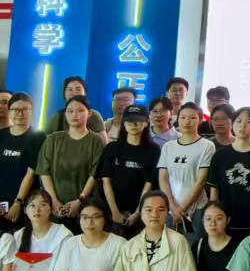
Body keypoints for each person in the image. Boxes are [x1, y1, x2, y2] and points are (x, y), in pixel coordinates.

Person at [209, 106, 250, 237]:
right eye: (239, 121)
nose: (242, 126)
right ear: (232, 124)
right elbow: (214, 191)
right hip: (225, 220)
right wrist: (213, 216)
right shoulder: (220, 155)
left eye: (249, 122)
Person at [38, 96, 104, 229]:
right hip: (55, 206)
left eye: (80, 110)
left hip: (84, 207)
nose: (75, 115)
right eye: (70, 111)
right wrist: (54, 200)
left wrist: (79, 201)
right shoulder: (53, 139)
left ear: (89, 113)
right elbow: (44, 172)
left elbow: (94, 174)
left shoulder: (96, 140)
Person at [0, 92, 46, 229]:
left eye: (25, 109)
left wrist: (18, 202)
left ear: (32, 112)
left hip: (26, 202)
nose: (20, 113)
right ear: (9, 112)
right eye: (15, 109)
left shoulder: (38, 137)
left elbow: (30, 173)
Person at [100, 105, 159, 234]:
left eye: (138, 120)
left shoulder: (154, 150)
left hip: (141, 211)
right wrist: (114, 212)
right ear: (124, 123)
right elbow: (106, 181)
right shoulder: (112, 148)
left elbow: (148, 184)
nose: (133, 124)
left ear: (146, 123)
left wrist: (137, 213)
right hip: (112, 210)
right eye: (129, 120)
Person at [159, 102, 215, 233]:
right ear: (177, 119)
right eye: (183, 117)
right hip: (170, 207)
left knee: (193, 243)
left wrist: (182, 209)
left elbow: (201, 181)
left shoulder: (207, 146)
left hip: (196, 208)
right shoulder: (168, 146)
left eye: (192, 117)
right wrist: (173, 206)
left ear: (200, 120)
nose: (187, 121)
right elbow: (163, 179)